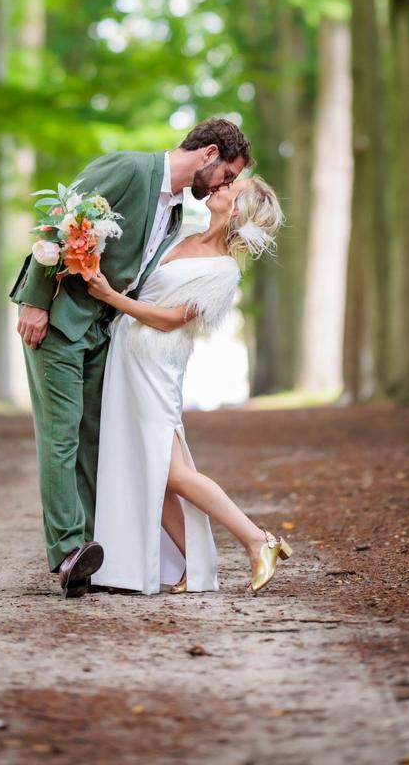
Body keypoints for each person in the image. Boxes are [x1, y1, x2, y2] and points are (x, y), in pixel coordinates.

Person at [11, 118, 252, 597]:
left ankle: (98, 553)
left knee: (94, 441)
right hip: (58, 319)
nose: (228, 184)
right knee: (61, 436)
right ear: (208, 154)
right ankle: (68, 552)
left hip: (103, 331)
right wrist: (35, 301)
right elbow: (62, 222)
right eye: (228, 173)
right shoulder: (128, 169)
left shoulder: (180, 212)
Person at [87, 172, 290, 595]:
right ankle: (194, 564)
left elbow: (169, 319)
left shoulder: (223, 271)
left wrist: (111, 298)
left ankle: (257, 539)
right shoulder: (184, 233)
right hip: (126, 356)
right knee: (153, 469)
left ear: (237, 209)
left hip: (155, 365)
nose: (220, 185)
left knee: (172, 472)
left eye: (230, 187)